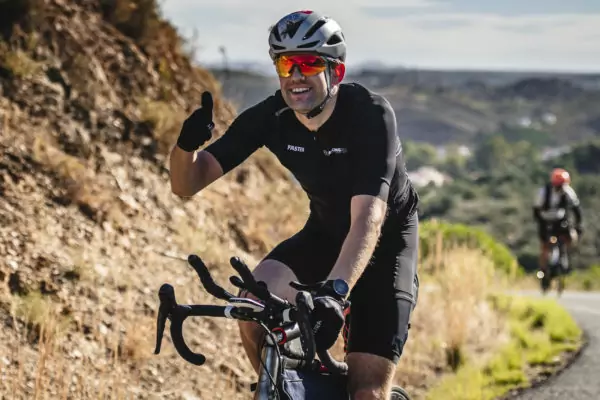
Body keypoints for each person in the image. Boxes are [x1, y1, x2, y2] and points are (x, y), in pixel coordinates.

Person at [168, 10, 420, 399]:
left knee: (366, 392)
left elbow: (369, 219)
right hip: (324, 235)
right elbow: (187, 183)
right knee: (254, 307)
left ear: (336, 71)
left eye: (308, 63)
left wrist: (335, 292)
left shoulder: (369, 114)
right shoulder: (272, 117)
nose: (296, 75)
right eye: (286, 64)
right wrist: (185, 147)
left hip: (385, 246)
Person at [533, 168, 583, 275]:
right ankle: (543, 270)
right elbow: (536, 210)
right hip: (544, 220)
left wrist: (578, 224)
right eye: (558, 185)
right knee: (545, 245)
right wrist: (540, 223)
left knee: (571, 237)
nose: (560, 188)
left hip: (560, 220)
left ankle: (566, 257)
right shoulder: (543, 192)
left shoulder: (568, 192)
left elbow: (576, 209)